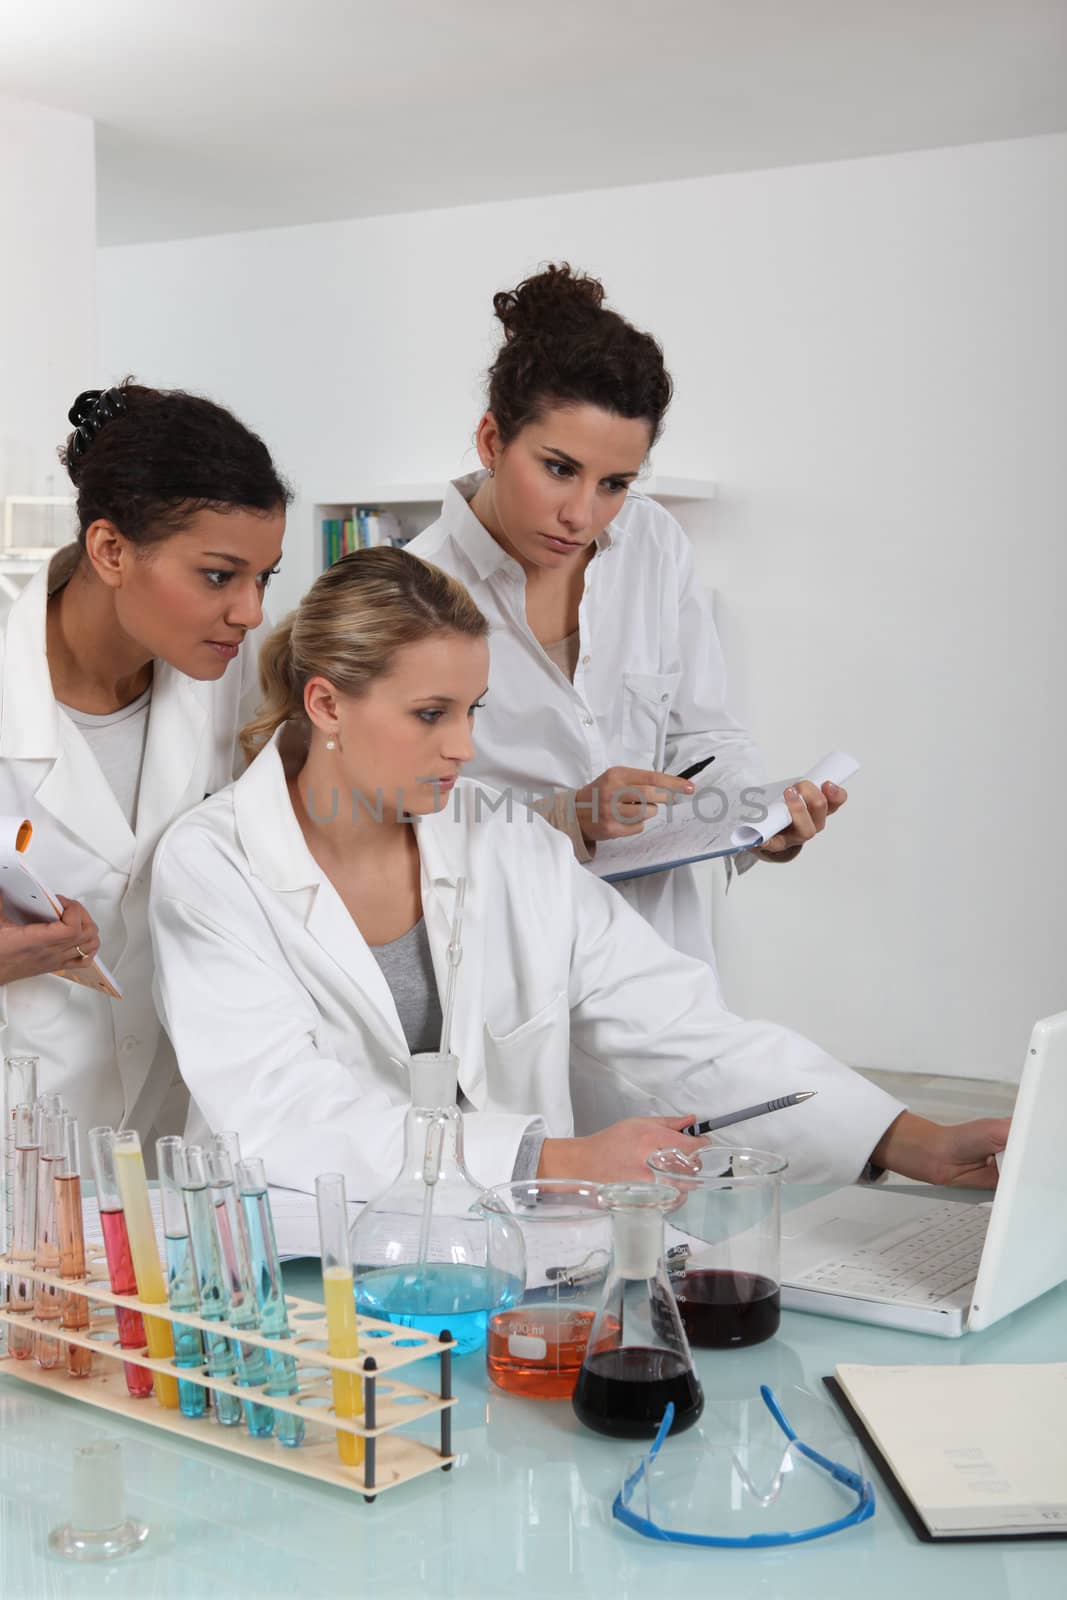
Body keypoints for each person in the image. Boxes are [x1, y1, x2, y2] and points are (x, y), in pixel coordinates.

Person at [148, 548, 1006, 1201]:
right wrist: (551, 1161)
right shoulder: (214, 863)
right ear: (328, 703)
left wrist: (904, 1139)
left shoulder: (501, 840)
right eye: (429, 715)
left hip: (499, 1269)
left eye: (472, 711)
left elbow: (676, 1025)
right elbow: (282, 1115)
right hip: (299, 1273)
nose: (462, 747)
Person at [407, 264, 846, 983]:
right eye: (557, 469)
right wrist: (567, 814)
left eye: (614, 483)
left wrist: (758, 825)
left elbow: (703, 734)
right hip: (504, 954)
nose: (582, 514)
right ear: (491, 440)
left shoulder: (653, 542)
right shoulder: (405, 587)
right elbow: (383, 815)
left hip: (656, 948)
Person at [0, 381, 289, 1140]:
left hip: (178, 1137)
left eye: (266, 578)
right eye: (219, 576)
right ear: (110, 549)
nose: (250, 611)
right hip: (22, 1141)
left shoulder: (236, 671)